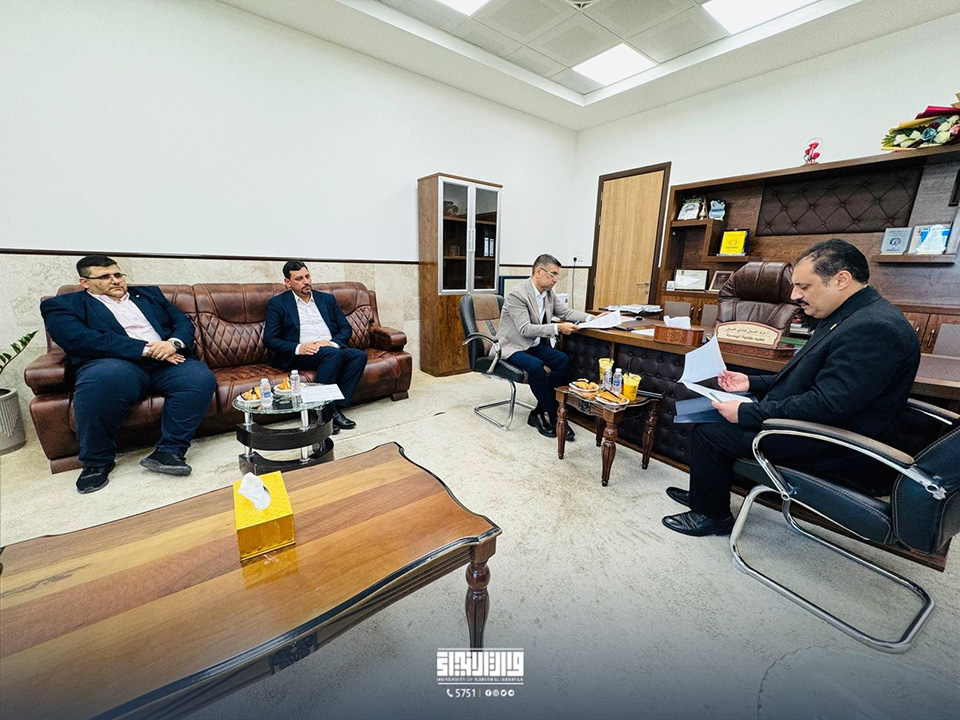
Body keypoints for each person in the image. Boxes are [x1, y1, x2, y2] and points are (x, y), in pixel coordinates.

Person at [662, 238, 921, 536]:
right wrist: (751, 382)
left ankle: (712, 515)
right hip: (813, 425)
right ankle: (704, 496)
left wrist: (746, 412)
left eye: (804, 287)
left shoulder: (874, 329)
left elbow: (828, 405)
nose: (795, 295)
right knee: (706, 416)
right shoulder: (848, 316)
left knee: (712, 433)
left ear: (841, 280)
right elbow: (807, 378)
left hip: (830, 441)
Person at [40, 256, 217, 494]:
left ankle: (169, 451)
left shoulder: (149, 294)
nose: (115, 281)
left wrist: (172, 344)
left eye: (118, 275)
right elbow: (78, 339)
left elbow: (183, 323)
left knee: (199, 377)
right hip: (115, 363)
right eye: (105, 277)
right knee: (101, 381)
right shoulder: (63, 305)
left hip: (167, 359)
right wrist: (147, 349)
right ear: (84, 282)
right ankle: (97, 462)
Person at [495, 254, 595, 439]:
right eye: (553, 274)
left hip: (532, 344)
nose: (555, 280)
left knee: (562, 359)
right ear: (538, 272)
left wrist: (592, 318)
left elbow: (565, 313)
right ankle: (555, 413)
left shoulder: (548, 293)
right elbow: (525, 329)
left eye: (557, 275)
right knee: (537, 368)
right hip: (512, 346)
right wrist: (557, 328)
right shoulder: (518, 294)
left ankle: (538, 412)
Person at [263, 261, 367, 433]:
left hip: (329, 348)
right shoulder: (278, 303)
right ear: (288, 282)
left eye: (307, 276)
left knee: (359, 356)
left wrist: (332, 343)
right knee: (332, 355)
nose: (306, 282)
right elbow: (270, 339)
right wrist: (299, 347)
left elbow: (345, 328)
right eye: (299, 279)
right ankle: (324, 413)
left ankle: (334, 407)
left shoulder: (326, 299)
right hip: (301, 354)